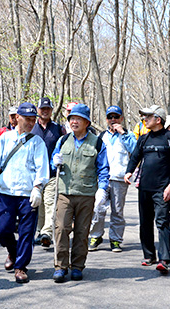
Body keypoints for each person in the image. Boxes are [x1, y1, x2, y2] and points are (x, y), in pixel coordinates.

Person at [0, 102, 49, 284]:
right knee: (2, 229)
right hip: (7, 192)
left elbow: (42, 168)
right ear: (17, 118)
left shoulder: (37, 142)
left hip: (28, 194)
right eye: (27, 119)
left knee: (27, 232)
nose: (30, 123)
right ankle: (13, 251)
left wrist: (38, 187)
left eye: (33, 120)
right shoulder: (5, 138)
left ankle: (21, 266)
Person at [50, 103, 110, 283]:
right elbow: (54, 163)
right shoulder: (62, 141)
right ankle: (60, 266)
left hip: (86, 193)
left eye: (78, 119)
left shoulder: (97, 143)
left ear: (87, 122)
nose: (74, 122)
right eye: (71, 119)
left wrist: (102, 189)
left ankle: (77, 266)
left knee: (82, 232)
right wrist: (55, 161)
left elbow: (104, 168)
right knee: (61, 229)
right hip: (64, 193)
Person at [124, 105, 170, 274]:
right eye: (144, 117)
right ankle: (149, 255)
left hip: (162, 189)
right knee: (145, 222)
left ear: (158, 119)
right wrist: (129, 171)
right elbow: (135, 157)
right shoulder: (144, 139)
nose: (144, 119)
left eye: (148, 117)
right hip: (144, 189)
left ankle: (164, 259)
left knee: (162, 223)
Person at [88, 106, 137, 252]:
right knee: (98, 207)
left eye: (116, 117)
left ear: (121, 118)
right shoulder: (101, 136)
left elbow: (135, 152)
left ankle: (115, 240)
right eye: (110, 117)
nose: (113, 120)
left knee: (117, 211)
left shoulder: (128, 135)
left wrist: (124, 133)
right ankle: (96, 235)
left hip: (120, 179)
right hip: (102, 179)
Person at [31, 97, 66, 247]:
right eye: (42, 109)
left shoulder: (58, 128)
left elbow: (64, 147)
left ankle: (47, 233)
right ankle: (40, 232)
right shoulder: (31, 128)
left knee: (50, 201)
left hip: (52, 172)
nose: (45, 111)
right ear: (38, 110)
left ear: (52, 110)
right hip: (34, 173)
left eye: (48, 109)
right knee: (38, 204)